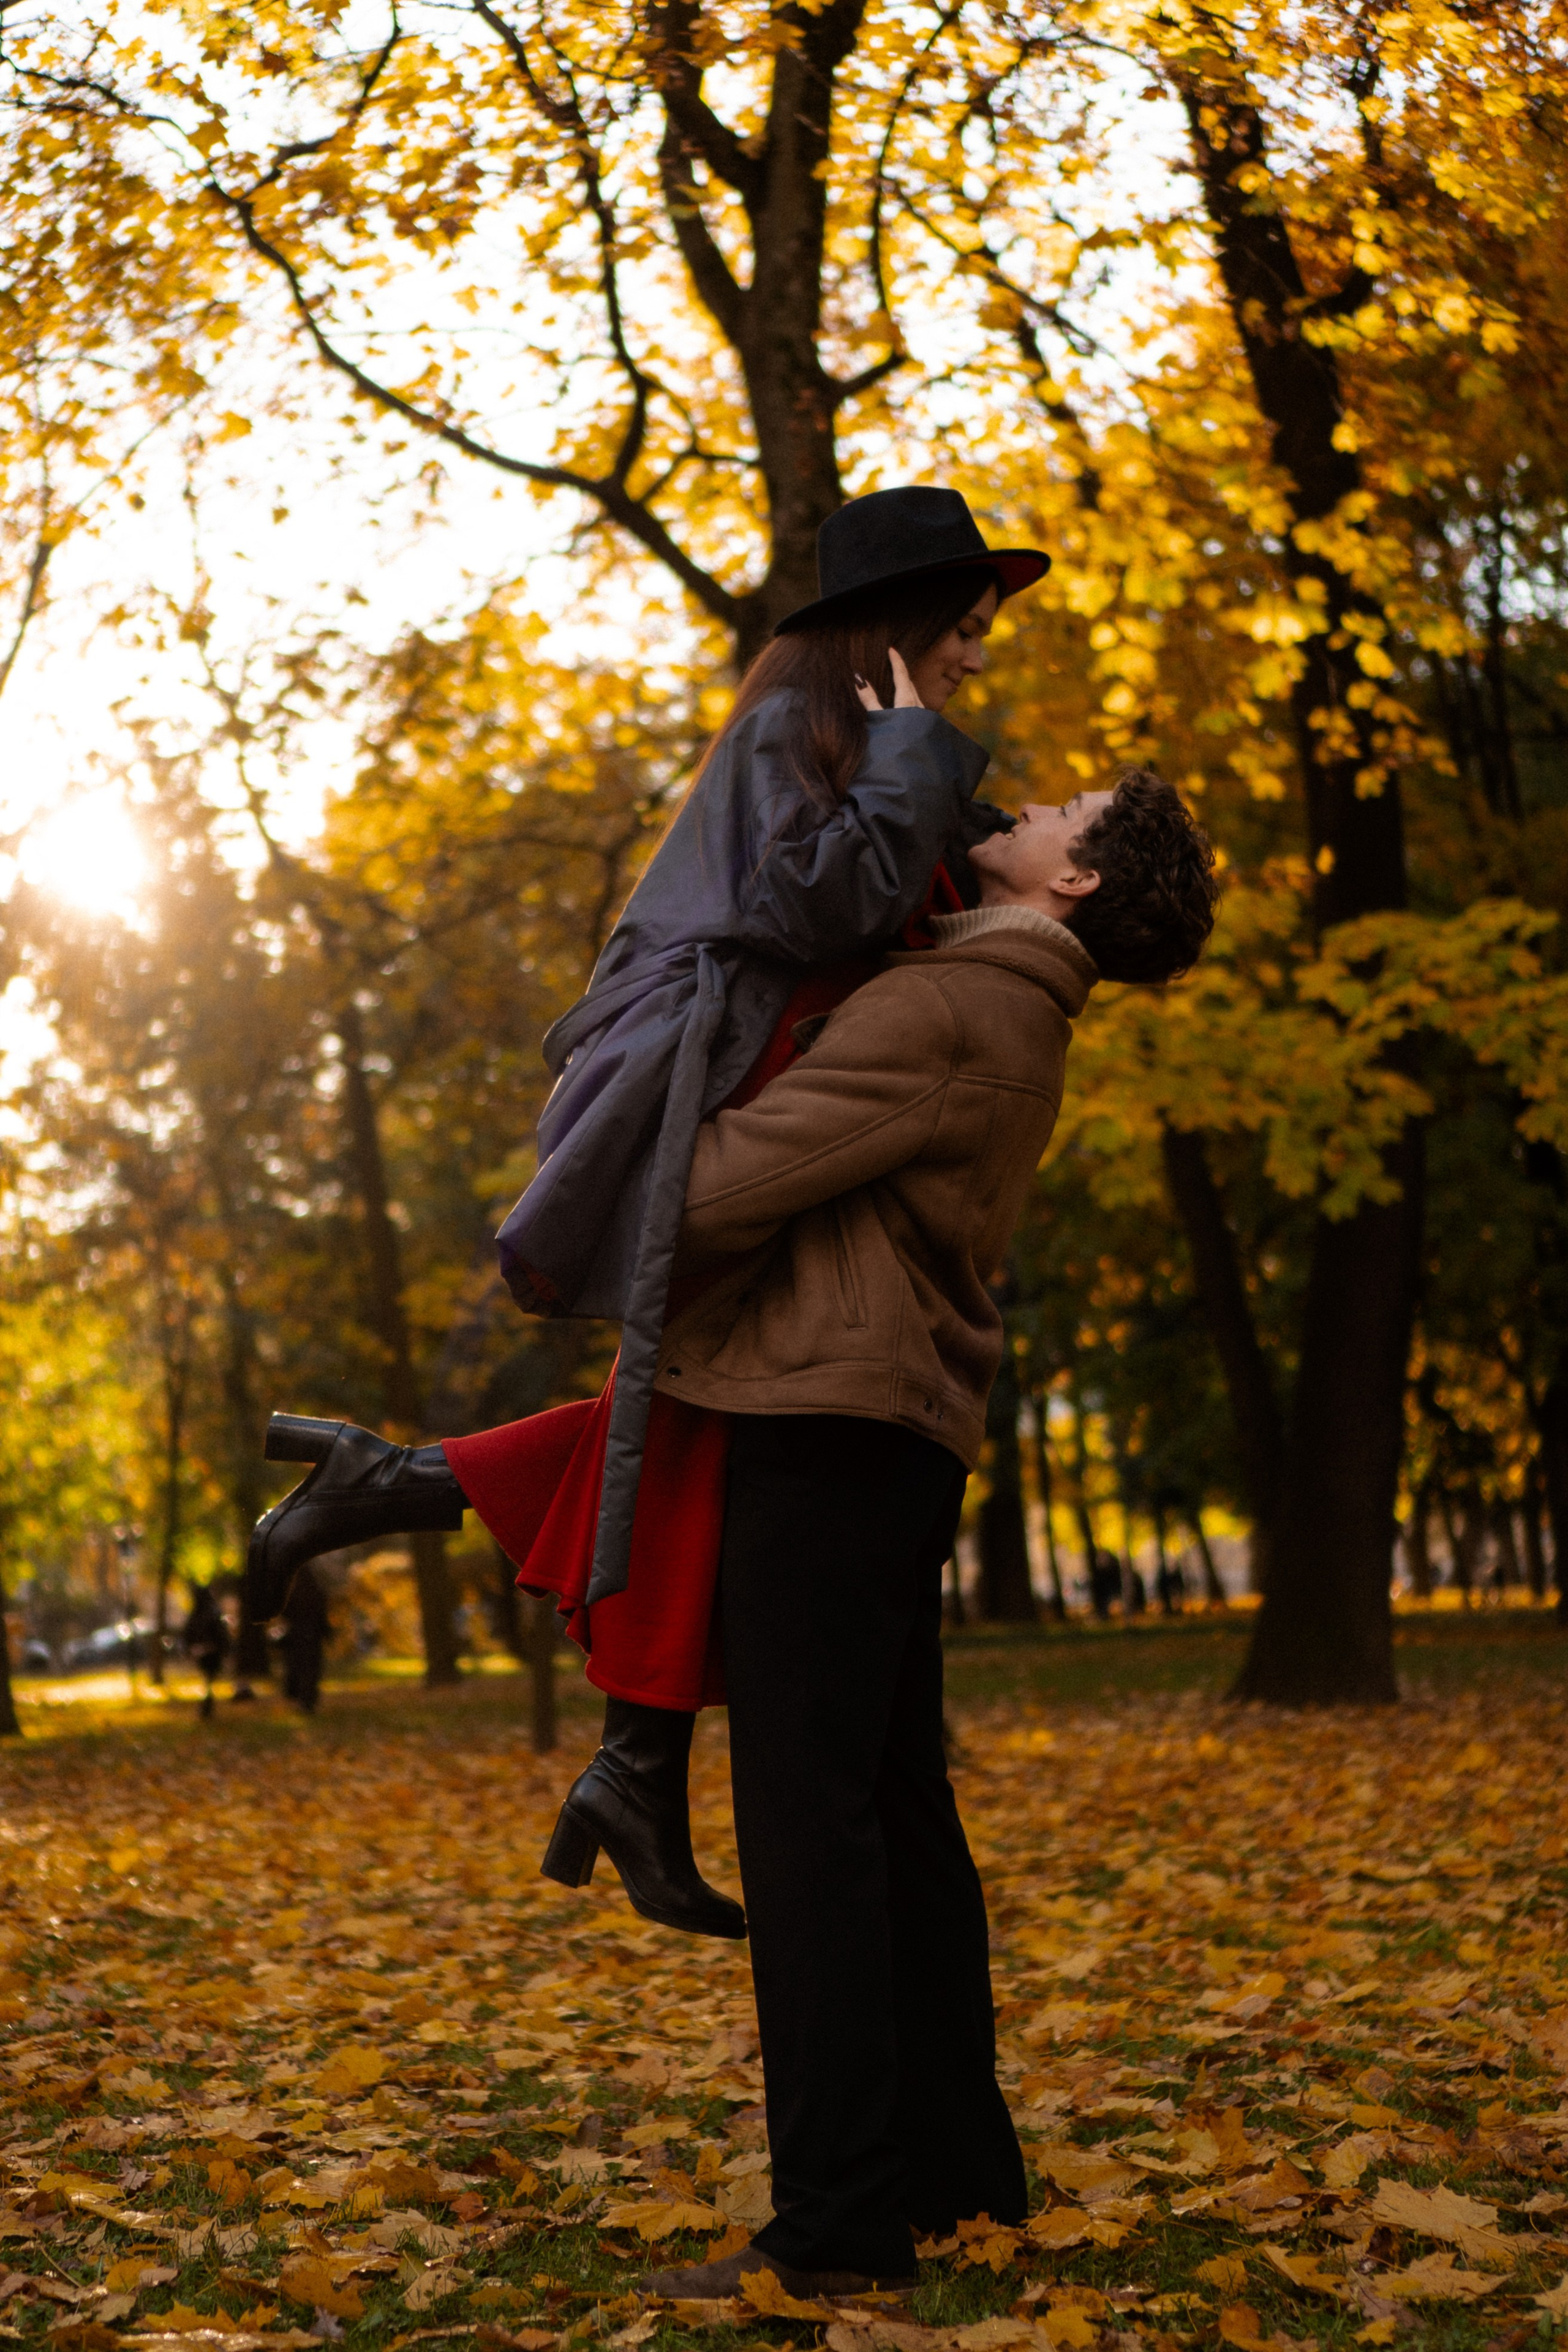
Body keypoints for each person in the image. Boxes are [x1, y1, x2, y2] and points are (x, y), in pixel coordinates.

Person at [247, 485, 1049, 1934]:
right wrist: (917, 760)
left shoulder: (860, 751)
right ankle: (590, 1713)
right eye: (967, 629)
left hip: (760, 1108)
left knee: (679, 1423)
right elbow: (818, 910)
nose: (978, 657)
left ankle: (593, 1715)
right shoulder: (788, 743)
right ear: (897, 628)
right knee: (683, 1411)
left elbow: (902, 893)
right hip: (707, 1107)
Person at [627, 766, 1219, 2296]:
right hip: (888, 1432)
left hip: (827, 1424)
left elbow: (711, 1189)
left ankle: (834, 2221)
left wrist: (630, 1118)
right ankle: (962, 2173)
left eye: (1065, 808)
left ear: (1072, 880)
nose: (1029, 802)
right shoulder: (1007, 995)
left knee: (807, 1826)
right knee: (888, 1810)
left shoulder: (951, 1008)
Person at [183, 1583, 230, 1721]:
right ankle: (207, 1704)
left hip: (202, 1651)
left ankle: (207, 1704)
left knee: (207, 1678)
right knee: (209, 1678)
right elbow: (221, 1633)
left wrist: (190, 1649)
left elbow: (188, 1633)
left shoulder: (196, 1613)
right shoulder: (213, 1612)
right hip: (212, 1651)